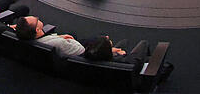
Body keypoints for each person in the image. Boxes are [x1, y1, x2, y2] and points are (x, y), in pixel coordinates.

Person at [14, 16, 150, 62]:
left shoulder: (31, 39)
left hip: (70, 46)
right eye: (37, 20)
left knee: (78, 34)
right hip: (82, 51)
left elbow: (50, 40)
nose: (38, 19)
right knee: (132, 43)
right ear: (37, 30)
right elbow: (86, 53)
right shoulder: (60, 44)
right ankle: (144, 61)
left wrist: (60, 36)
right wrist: (111, 49)